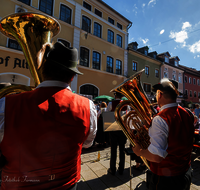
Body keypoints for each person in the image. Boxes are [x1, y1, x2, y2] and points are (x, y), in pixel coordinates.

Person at [0, 42, 97, 190]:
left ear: (43, 69)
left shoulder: (5, 104)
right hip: (67, 184)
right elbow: (87, 143)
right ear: (72, 77)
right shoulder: (88, 106)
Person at [132, 78, 194, 190]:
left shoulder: (160, 119)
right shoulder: (187, 113)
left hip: (166, 179)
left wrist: (139, 151)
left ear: (159, 94)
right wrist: (152, 126)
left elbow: (156, 157)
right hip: (185, 171)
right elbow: (177, 133)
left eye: (156, 94)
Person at [107, 92, 127, 175]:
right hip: (122, 129)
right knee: (122, 150)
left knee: (113, 149)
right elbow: (127, 114)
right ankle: (121, 169)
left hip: (113, 128)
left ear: (115, 96)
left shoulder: (111, 103)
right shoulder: (125, 104)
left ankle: (112, 169)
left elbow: (107, 113)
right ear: (122, 96)